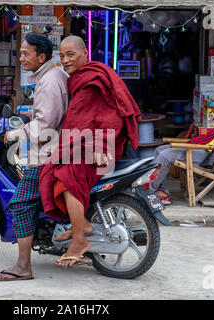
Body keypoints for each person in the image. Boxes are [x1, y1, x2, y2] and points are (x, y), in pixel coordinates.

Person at [38, 35, 142, 268]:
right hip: (81, 143)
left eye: (70, 54)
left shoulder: (95, 78)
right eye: (62, 56)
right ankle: (81, 224)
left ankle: (79, 239)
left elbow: (109, 116)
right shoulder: (80, 78)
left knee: (66, 178)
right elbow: (81, 117)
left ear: (85, 54)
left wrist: (100, 146)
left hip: (97, 147)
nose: (65, 60)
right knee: (51, 172)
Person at [0, 33, 69, 281]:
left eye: (26, 54)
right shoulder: (51, 76)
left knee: (21, 205)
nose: (21, 58)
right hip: (57, 149)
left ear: (42, 56)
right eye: (21, 53)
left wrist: (14, 134)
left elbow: (45, 125)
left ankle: (23, 266)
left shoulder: (48, 81)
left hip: (47, 155)